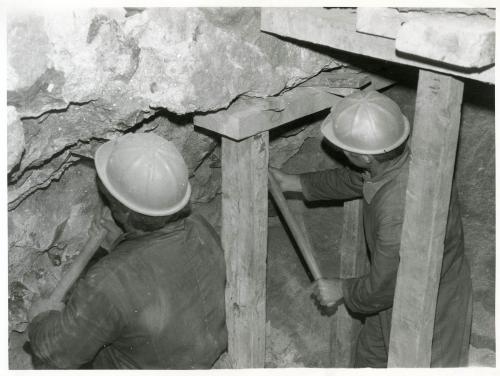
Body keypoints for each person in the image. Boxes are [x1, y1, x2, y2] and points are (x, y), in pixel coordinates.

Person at [272, 90, 472, 367]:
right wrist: (293, 183)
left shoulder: (397, 212)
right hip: (393, 293)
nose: (341, 152)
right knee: (371, 359)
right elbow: (361, 179)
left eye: (345, 150)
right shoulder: (401, 156)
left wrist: (342, 289)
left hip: (430, 304)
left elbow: (384, 286)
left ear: (366, 157)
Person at [27, 133, 228, 369]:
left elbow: (57, 352)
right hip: (202, 353)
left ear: (123, 213)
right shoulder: (199, 225)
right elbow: (152, 273)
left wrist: (39, 319)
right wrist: (120, 244)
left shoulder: (107, 281)